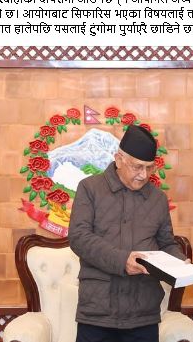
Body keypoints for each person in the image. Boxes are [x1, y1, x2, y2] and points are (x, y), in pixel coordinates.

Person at [69, 125, 185, 342]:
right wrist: (123, 260)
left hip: (143, 312)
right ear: (119, 159)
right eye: (137, 167)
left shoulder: (158, 199)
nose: (144, 175)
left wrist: (180, 261)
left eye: (149, 168)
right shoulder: (90, 189)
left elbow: (166, 243)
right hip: (98, 311)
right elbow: (79, 237)